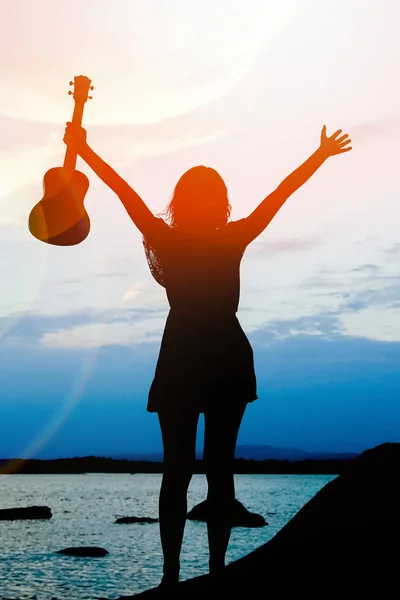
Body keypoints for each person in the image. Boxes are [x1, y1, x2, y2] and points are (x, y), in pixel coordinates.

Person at [63, 122, 352, 587]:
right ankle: (215, 573)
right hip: (225, 356)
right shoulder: (230, 237)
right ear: (220, 203)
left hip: (182, 355)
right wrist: (318, 156)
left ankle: (171, 575)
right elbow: (279, 196)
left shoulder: (166, 237)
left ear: (180, 202)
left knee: (176, 469)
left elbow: (123, 190)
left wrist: (85, 150)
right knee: (220, 468)